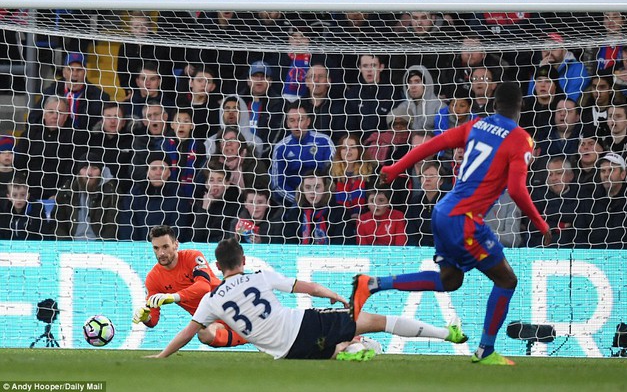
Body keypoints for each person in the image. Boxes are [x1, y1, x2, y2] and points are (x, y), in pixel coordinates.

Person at [352, 82, 550, 366]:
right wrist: (542, 225)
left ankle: (371, 284)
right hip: (465, 219)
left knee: (450, 280)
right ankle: (486, 350)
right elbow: (517, 191)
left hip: (442, 211)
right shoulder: (521, 140)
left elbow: (432, 144)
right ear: (521, 107)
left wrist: (395, 169)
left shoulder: (476, 125)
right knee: (507, 280)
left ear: (493, 104)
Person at [147, 237, 468, 360]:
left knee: (334, 346)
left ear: (217, 266)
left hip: (284, 352)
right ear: (242, 261)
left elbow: (187, 334)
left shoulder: (211, 301)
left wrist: (160, 357)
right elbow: (309, 288)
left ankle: (351, 348)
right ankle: (446, 335)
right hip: (300, 325)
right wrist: (337, 295)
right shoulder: (259, 276)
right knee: (375, 322)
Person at [132, 225, 247, 349]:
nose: (161, 253)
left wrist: (173, 297)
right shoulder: (153, 278)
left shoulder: (192, 257)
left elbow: (204, 287)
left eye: (165, 247)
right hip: (214, 321)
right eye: (156, 248)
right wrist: (146, 317)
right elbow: (153, 320)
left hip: (233, 307)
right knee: (204, 334)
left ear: (176, 244)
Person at [270, 100, 335, 205]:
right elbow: (278, 185)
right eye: (292, 120)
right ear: (287, 123)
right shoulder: (281, 147)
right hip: (293, 203)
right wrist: (299, 201)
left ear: (308, 121)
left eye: (301, 120)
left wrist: (320, 198)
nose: (296, 125)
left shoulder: (324, 142)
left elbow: (333, 175)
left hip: (323, 200)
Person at [54, 152, 119, 240]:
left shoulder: (110, 193)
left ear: (101, 172)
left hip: (101, 248)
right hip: (70, 247)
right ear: (79, 172)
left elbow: (112, 226)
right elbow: (58, 224)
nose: (89, 173)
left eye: (94, 168)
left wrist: (101, 247)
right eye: (85, 168)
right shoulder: (67, 192)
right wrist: (66, 245)